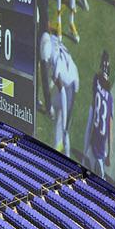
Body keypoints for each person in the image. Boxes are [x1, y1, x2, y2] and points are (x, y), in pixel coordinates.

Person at [39, 23, 80, 157]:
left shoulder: (56, 68)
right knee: (56, 113)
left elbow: (62, 92)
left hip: (70, 87)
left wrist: (65, 118)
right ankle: (57, 145)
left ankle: (67, 158)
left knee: (63, 127)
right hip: (71, 72)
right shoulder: (52, 40)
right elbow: (52, 29)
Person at [83, 50, 113, 179]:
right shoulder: (110, 98)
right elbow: (110, 126)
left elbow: (98, 81)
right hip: (101, 143)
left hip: (94, 128)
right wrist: (110, 154)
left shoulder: (96, 80)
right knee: (101, 176)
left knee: (87, 153)